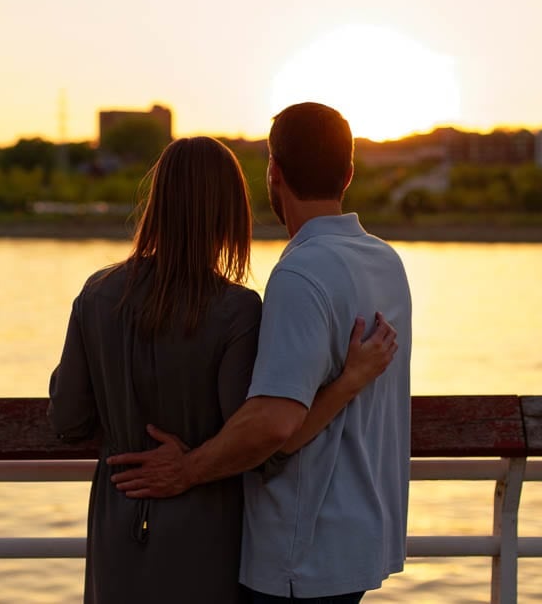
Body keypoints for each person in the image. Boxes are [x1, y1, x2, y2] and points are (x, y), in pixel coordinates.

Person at [48, 135, 398, 604]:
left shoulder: (97, 294)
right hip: (208, 536)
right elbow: (268, 443)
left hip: (117, 525)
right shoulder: (236, 310)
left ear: (158, 203)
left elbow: (67, 419)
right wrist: (347, 382)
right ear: (228, 213)